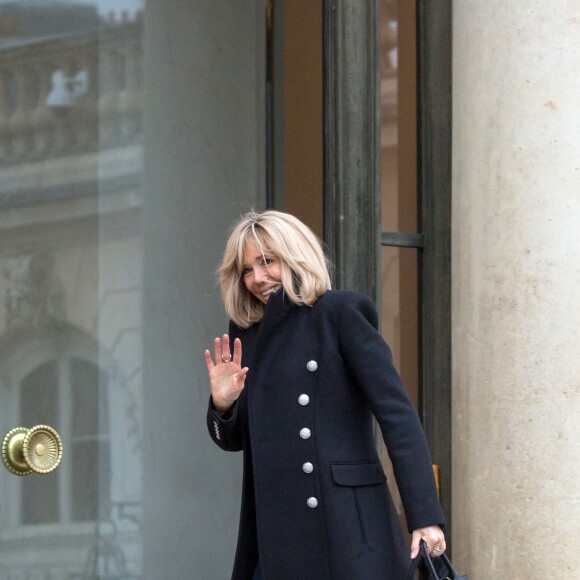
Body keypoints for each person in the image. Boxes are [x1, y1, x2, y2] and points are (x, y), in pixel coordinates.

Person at [205, 210, 445, 580]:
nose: (257, 278)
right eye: (247, 270)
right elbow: (242, 440)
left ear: (295, 255)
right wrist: (223, 404)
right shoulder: (249, 334)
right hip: (275, 533)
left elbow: (398, 418)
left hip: (346, 529)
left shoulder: (341, 313)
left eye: (267, 262)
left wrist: (425, 517)